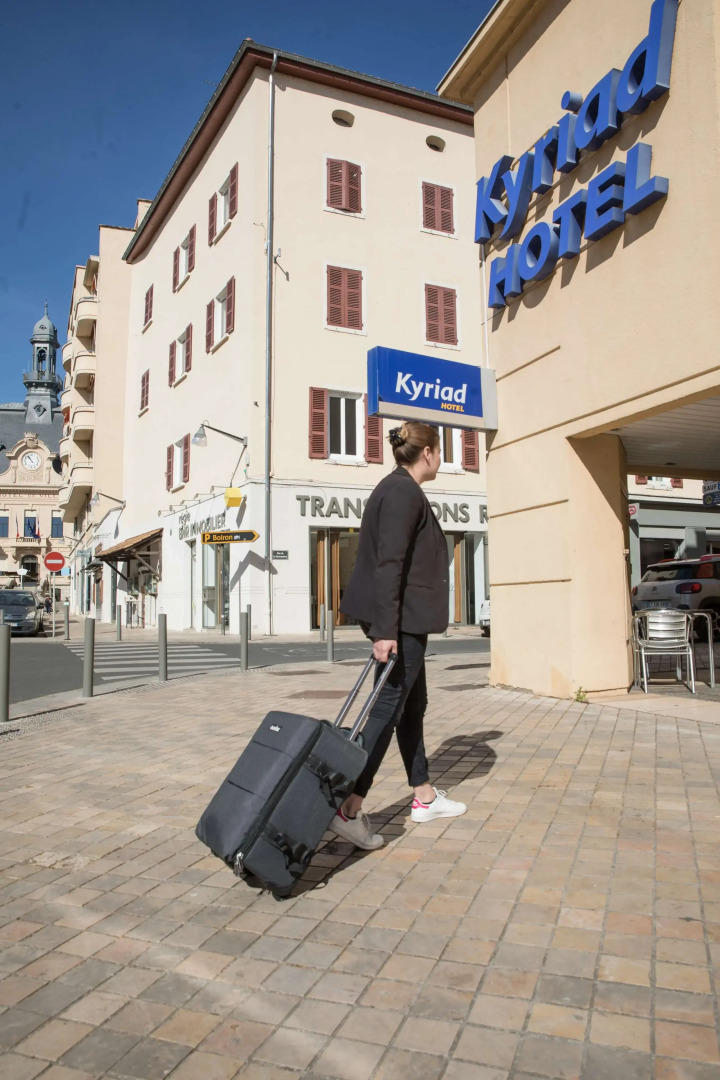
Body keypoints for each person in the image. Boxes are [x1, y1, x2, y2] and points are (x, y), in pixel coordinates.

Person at [332, 421, 467, 850]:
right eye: (440, 450)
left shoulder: (397, 489)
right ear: (426, 452)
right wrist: (386, 631)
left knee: (412, 706)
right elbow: (389, 563)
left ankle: (424, 796)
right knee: (386, 710)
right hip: (400, 624)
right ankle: (347, 808)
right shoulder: (402, 493)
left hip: (406, 621)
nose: (441, 459)